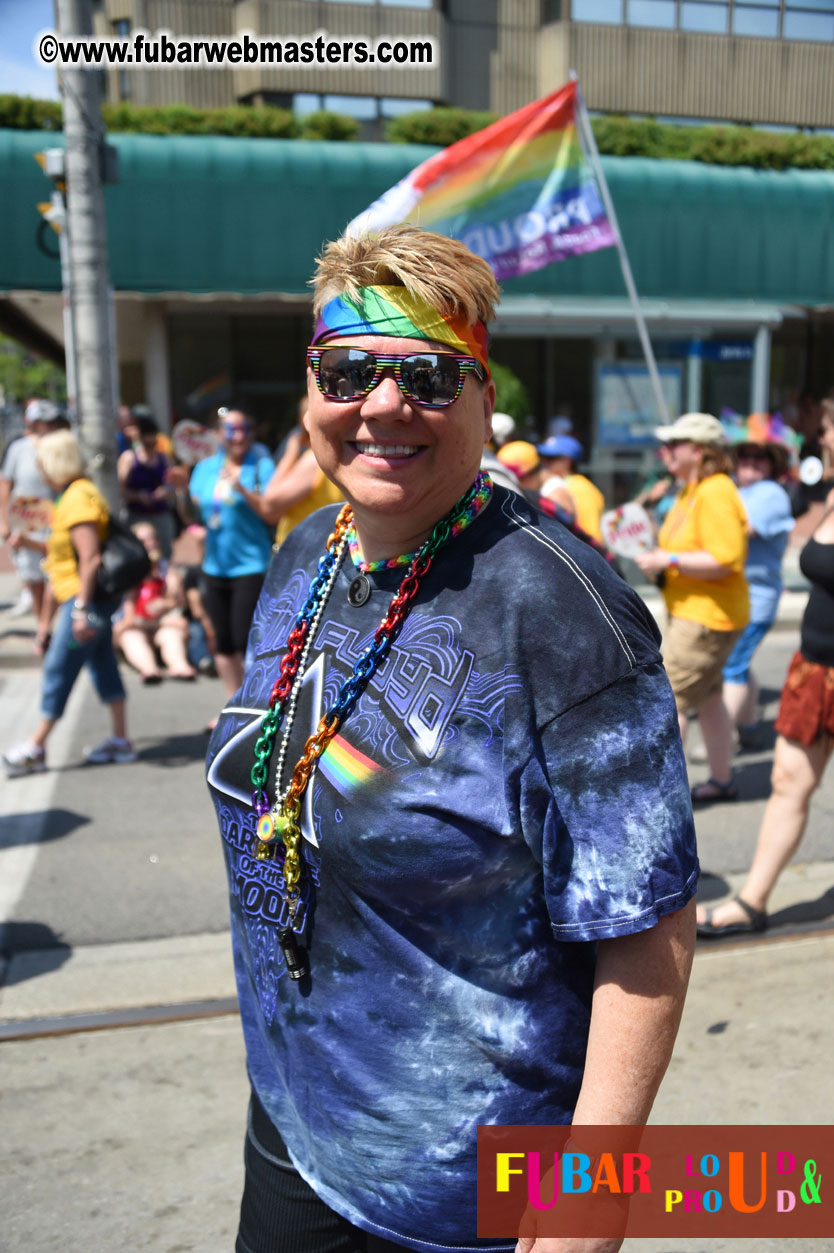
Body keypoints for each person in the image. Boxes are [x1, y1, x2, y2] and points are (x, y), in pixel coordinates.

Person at [206, 225, 697, 1253]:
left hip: (467, 1191)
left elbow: (648, 928)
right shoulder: (308, 552)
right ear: (311, 391)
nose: (384, 405)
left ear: (482, 400)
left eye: (430, 376)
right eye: (350, 372)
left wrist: (590, 1196)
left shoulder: (561, 613)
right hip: (297, 1129)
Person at [697, 483, 834, 938]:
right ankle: (752, 902)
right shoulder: (831, 496)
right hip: (813, 670)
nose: (827, 435)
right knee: (787, 782)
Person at [2, 430, 135, 777]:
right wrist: (29, 544)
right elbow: (66, 553)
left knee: (59, 669)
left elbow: (89, 558)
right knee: (103, 664)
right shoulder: (71, 496)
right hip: (84, 601)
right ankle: (120, 739)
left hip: (82, 603)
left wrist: (79, 609)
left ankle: (37, 746)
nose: (38, 468)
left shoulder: (76, 498)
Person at [636, 413, 749, 805]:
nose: (664, 451)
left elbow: (726, 557)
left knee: (669, 705)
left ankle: (658, 806)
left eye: (673, 444)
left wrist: (668, 561)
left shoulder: (715, 490)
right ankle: (721, 780)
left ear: (698, 451)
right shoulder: (692, 489)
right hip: (699, 613)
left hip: (706, 617)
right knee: (709, 700)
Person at [187, 408, 275, 716]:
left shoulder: (261, 466)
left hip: (250, 565)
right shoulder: (205, 469)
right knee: (223, 642)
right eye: (232, 430)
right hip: (215, 566)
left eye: (245, 428)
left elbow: (271, 512)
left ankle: (253, 705)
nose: (239, 436)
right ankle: (232, 706)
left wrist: (242, 490)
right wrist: (176, 491)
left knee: (243, 640)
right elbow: (194, 515)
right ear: (218, 434)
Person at [721, 440, 794, 749]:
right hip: (736, 597)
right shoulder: (735, 491)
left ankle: (719, 742)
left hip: (755, 600)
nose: (751, 462)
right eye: (745, 456)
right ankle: (748, 725)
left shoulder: (770, 493)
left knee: (732, 666)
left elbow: (741, 531)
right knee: (740, 663)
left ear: (771, 464)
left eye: (760, 458)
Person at [0, 398, 63, 651]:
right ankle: (42, 627)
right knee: (33, 579)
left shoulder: (60, 445)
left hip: (54, 520)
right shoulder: (18, 448)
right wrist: (4, 522)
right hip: (24, 522)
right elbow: (6, 485)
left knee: (55, 577)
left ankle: (47, 626)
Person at [113, 522, 197, 683]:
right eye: (144, 541)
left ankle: (179, 666)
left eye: (152, 539)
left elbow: (179, 602)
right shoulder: (127, 570)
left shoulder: (167, 569)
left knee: (172, 635)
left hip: (162, 624)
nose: (149, 544)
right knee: (131, 637)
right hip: (136, 624)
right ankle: (149, 669)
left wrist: (171, 593)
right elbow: (128, 612)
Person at [259, 404, 344, 543]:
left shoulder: (314, 460)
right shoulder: (341, 457)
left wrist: (290, 454)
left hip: (301, 554)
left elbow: (269, 507)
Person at [117, 412, 177, 558]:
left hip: (160, 516)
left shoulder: (165, 459)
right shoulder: (129, 458)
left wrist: (166, 492)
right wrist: (138, 496)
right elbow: (120, 490)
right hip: (137, 517)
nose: (150, 447)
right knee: (138, 557)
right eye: (147, 444)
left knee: (164, 557)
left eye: (153, 443)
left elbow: (174, 487)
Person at [536, 434, 606, 540]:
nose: (544, 462)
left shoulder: (580, 487)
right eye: (542, 457)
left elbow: (591, 536)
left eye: (550, 458)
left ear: (567, 461)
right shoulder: (555, 484)